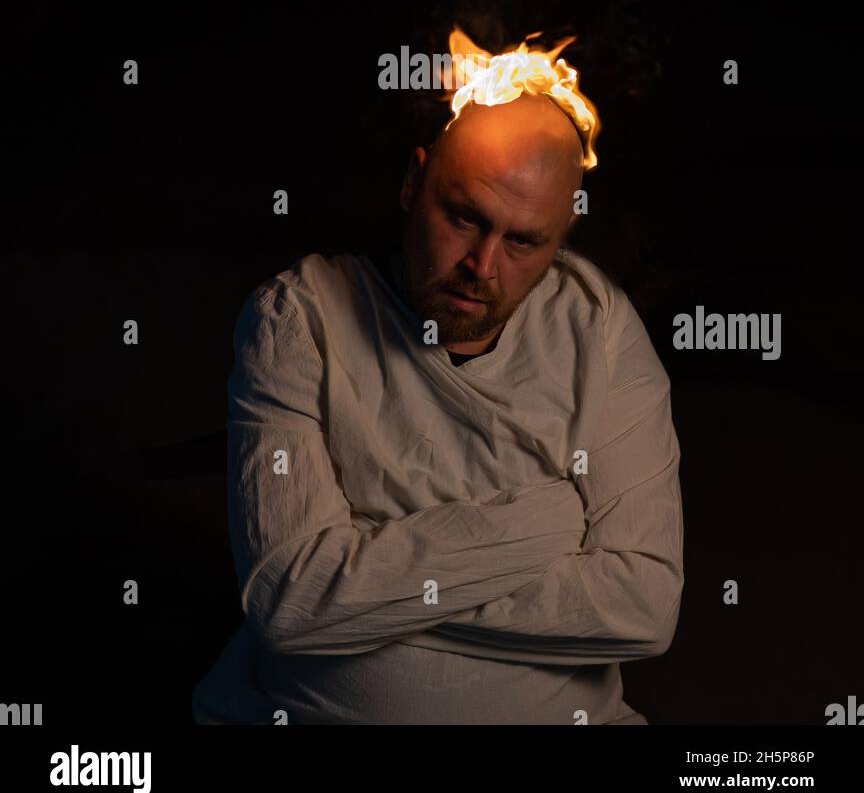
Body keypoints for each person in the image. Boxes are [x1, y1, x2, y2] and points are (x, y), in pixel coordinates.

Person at [192, 90, 684, 724]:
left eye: (523, 242)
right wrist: (548, 520)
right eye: (464, 218)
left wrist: (369, 591)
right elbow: (291, 602)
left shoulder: (599, 326)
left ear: (561, 238)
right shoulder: (299, 317)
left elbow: (643, 609)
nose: (482, 266)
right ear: (412, 181)